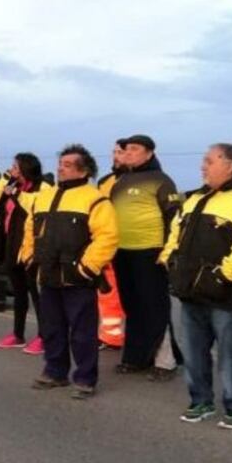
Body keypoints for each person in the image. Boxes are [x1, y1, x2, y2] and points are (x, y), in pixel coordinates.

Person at [160, 144, 232, 429]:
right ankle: (201, 401)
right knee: (194, 351)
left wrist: (223, 276)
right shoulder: (194, 200)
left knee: (231, 353)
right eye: (203, 161)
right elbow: (175, 234)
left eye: (209, 161)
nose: (203, 166)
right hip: (190, 292)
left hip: (227, 295)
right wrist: (169, 261)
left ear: (230, 165)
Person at [22, 145, 119, 398]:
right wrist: (29, 256)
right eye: (60, 163)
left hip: (78, 278)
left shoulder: (95, 199)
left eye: (66, 164)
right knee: (52, 328)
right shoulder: (44, 197)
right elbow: (31, 229)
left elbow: (107, 237)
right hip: (49, 274)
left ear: (83, 169)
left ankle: (85, 379)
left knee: (82, 333)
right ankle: (55, 372)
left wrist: (87, 268)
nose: (59, 168)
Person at [110, 135, 182, 380]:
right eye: (126, 149)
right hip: (123, 253)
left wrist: (168, 253)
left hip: (151, 253)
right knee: (132, 306)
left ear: (149, 153)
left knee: (155, 307)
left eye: (134, 148)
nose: (128, 153)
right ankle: (136, 357)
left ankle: (165, 362)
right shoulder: (121, 181)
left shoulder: (161, 180)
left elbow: (174, 219)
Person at [0, 153, 52, 354]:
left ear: (26, 168)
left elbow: (36, 209)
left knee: (37, 294)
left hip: (30, 248)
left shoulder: (43, 188)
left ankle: (44, 336)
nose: (12, 170)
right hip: (12, 244)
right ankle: (18, 334)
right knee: (19, 293)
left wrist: (16, 195)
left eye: (16, 167)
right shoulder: (13, 187)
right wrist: (6, 190)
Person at [96, 142, 128, 351]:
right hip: (108, 245)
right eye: (114, 152)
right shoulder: (105, 182)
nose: (116, 156)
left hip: (133, 245)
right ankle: (111, 337)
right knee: (108, 293)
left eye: (120, 152)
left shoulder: (138, 181)